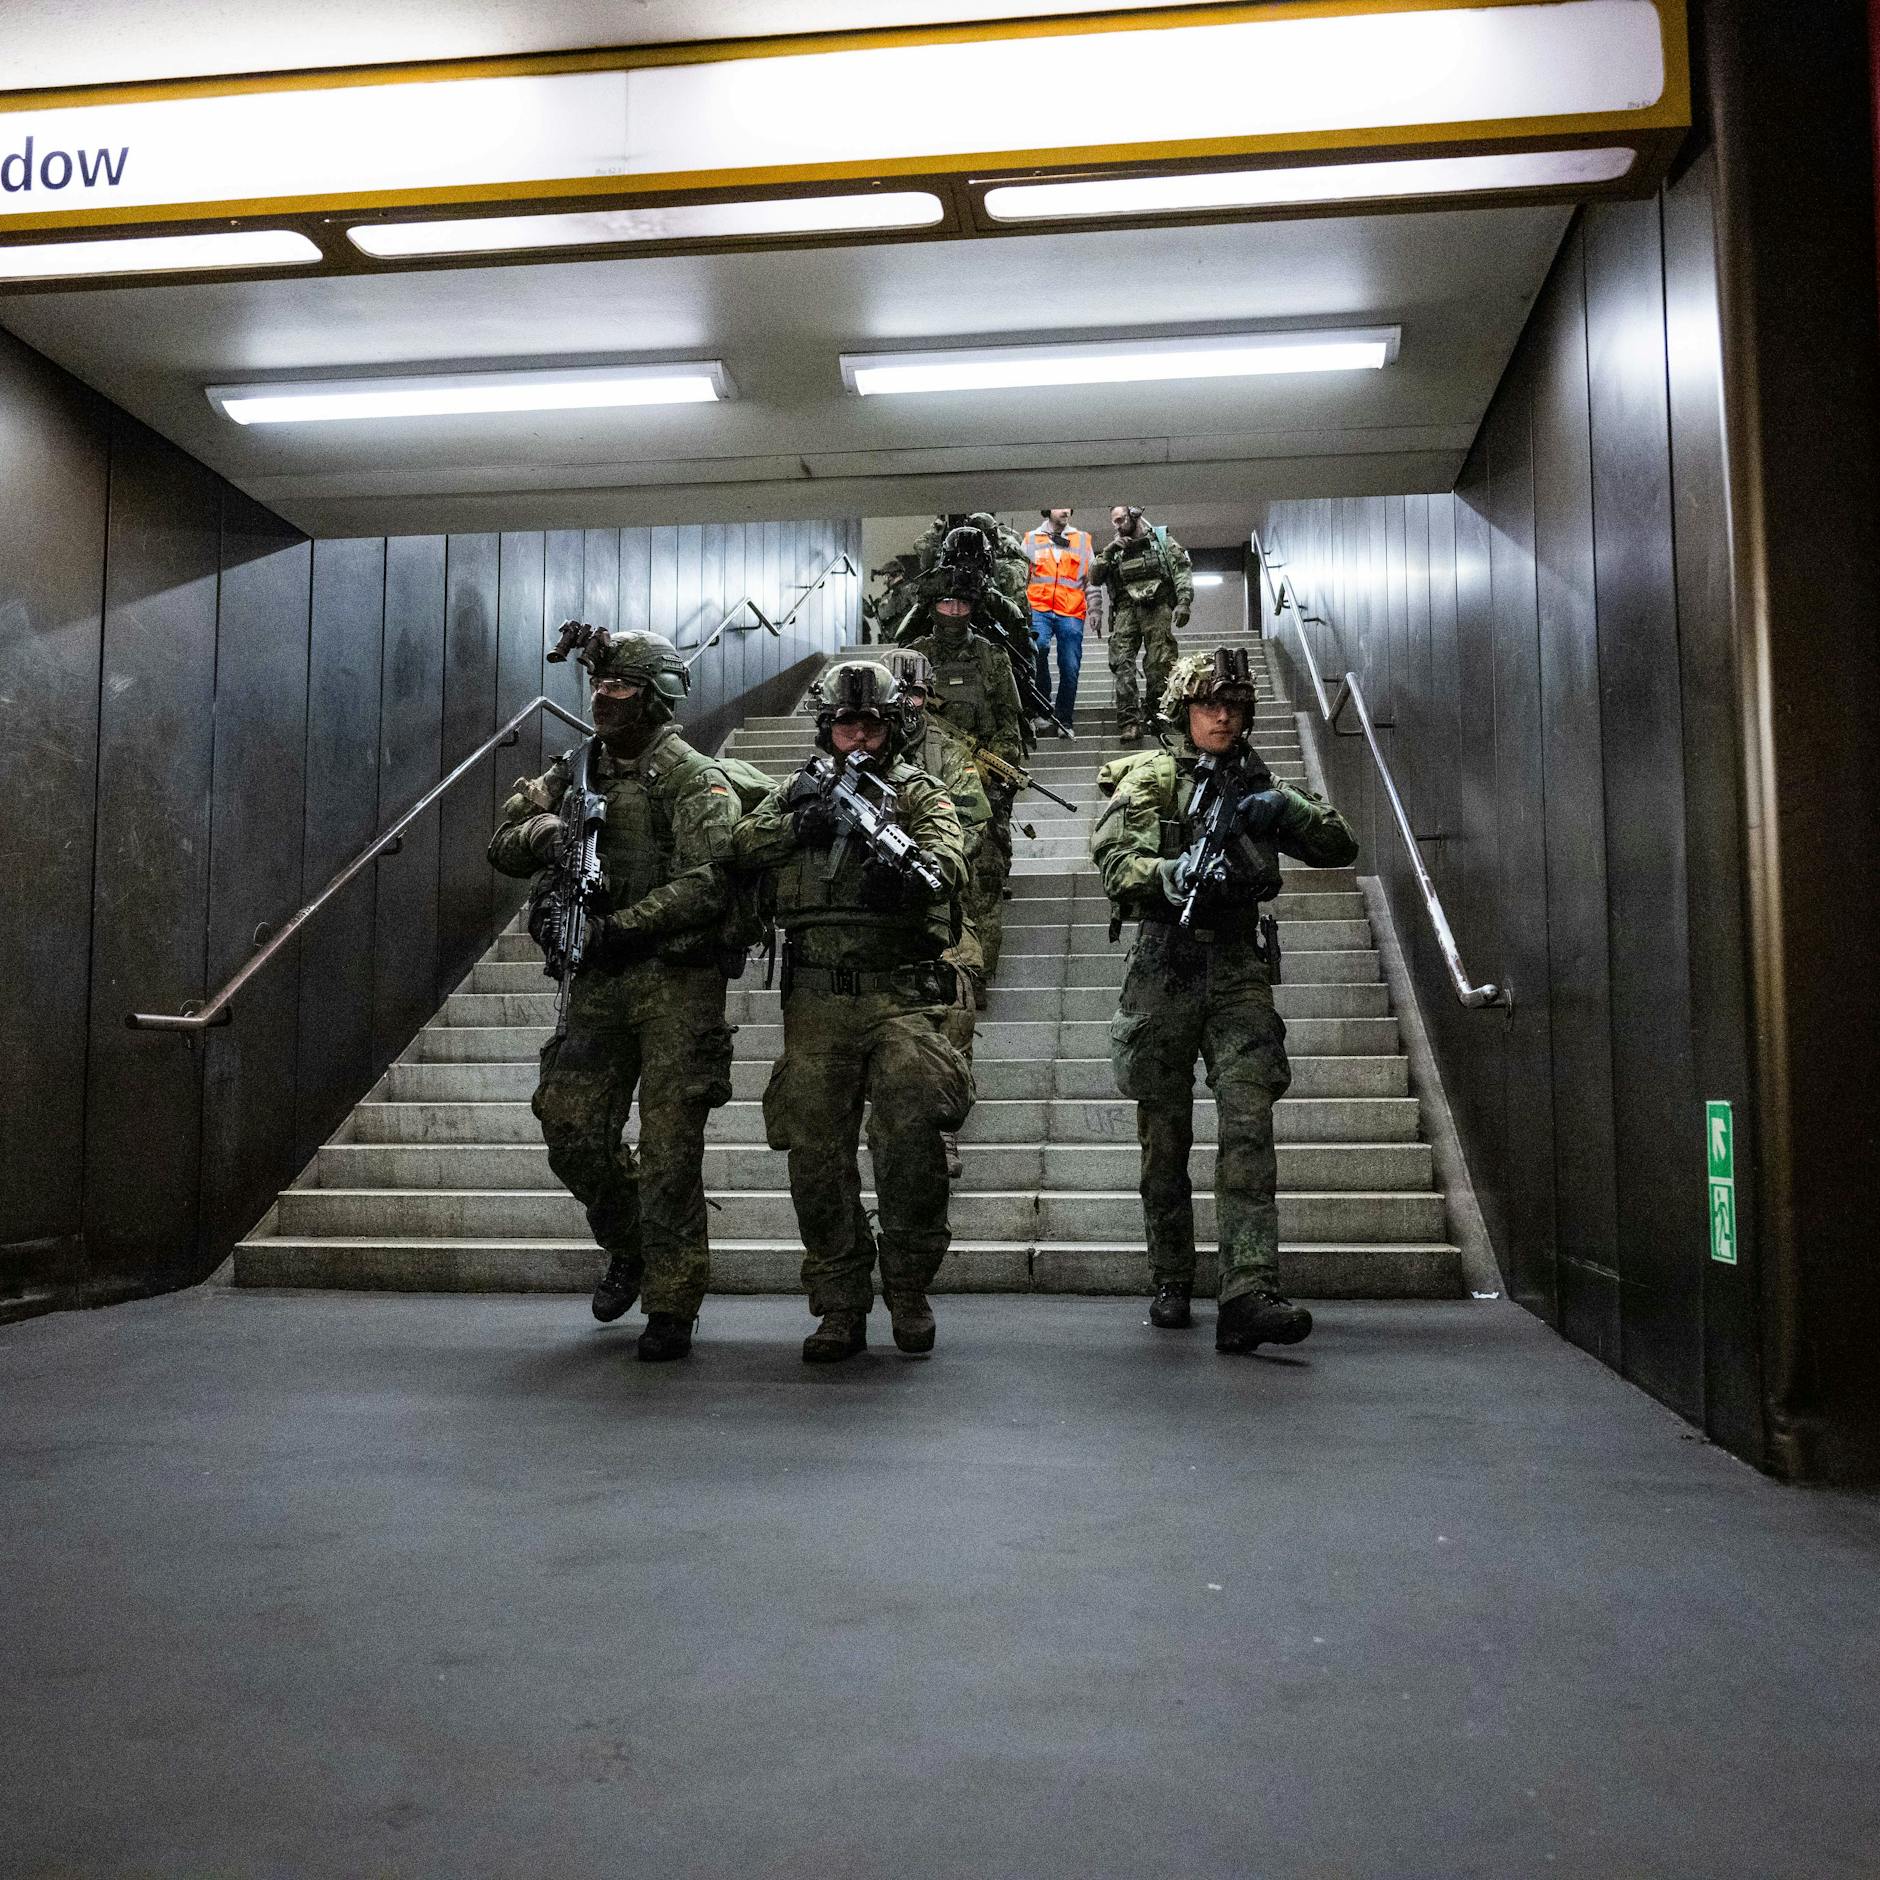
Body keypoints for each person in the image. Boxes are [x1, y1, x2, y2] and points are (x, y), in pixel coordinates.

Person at [1090, 647, 1360, 1352]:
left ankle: (1248, 1287)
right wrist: (1172, 870)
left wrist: (1288, 807)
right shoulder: (1149, 778)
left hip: (1238, 962)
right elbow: (1118, 864)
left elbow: (1340, 845)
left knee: (1247, 1125)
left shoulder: (1260, 782)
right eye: (1211, 705)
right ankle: (1172, 1275)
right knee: (1164, 1138)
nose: (1223, 716)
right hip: (1166, 964)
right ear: (1183, 710)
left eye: (1235, 706)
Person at [488, 629, 739, 1363]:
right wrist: (543, 833)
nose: (604, 697)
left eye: (623, 687)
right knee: (570, 1131)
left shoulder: (693, 778)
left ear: (658, 697)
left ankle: (672, 1302)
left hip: (674, 981)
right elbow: (501, 840)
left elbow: (709, 880)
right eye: (600, 685)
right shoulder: (575, 771)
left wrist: (620, 928)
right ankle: (629, 1244)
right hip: (597, 983)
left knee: (668, 1152)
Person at [730, 660, 973, 1362]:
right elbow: (742, 848)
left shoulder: (919, 792)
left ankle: (907, 1287)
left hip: (897, 991)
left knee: (912, 1147)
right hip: (814, 1002)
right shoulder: (795, 792)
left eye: (870, 724)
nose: (857, 736)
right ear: (827, 728)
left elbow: (948, 861)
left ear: (892, 727)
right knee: (815, 1156)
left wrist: (905, 875)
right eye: (845, 724)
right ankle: (839, 1303)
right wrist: (802, 823)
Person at [901, 527, 1027, 995]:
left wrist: (996, 781)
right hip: (921, 791)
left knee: (984, 882)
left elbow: (1009, 731)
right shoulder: (912, 659)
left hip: (981, 790)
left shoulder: (992, 658)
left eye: (962, 605)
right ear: (932, 607)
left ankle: (976, 977)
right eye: (946, 604)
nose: (954, 612)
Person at [885, 647, 993, 1180]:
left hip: (936, 901)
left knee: (954, 1005)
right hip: (866, 910)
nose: (907, 703)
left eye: (916, 693)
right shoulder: (848, 745)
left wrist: (932, 860)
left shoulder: (947, 751)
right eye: (898, 692)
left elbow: (973, 821)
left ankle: (944, 1128)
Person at [1097, 505, 1195, 745]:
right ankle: (1130, 721)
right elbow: (1094, 576)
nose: (1118, 526)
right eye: (1114, 522)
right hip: (1126, 609)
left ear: (1134, 516)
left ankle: (1155, 715)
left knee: (1159, 663)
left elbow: (1181, 569)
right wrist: (1108, 552)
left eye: (1121, 520)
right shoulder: (1115, 548)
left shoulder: (1161, 540)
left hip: (1157, 606)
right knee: (1122, 663)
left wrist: (1183, 601)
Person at [1022, 506, 1095, 726]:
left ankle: (1064, 719)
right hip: (1038, 608)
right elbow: (1020, 576)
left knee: (1070, 665)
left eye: (1068, 507)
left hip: (1071, 611)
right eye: (1059, 506)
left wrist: (1096, 609)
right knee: (1038, 650)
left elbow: (1092, 581)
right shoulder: (1031, 539)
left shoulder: (1082, 540)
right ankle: (1043, 709)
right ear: (1047, 510)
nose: (1065, 511)